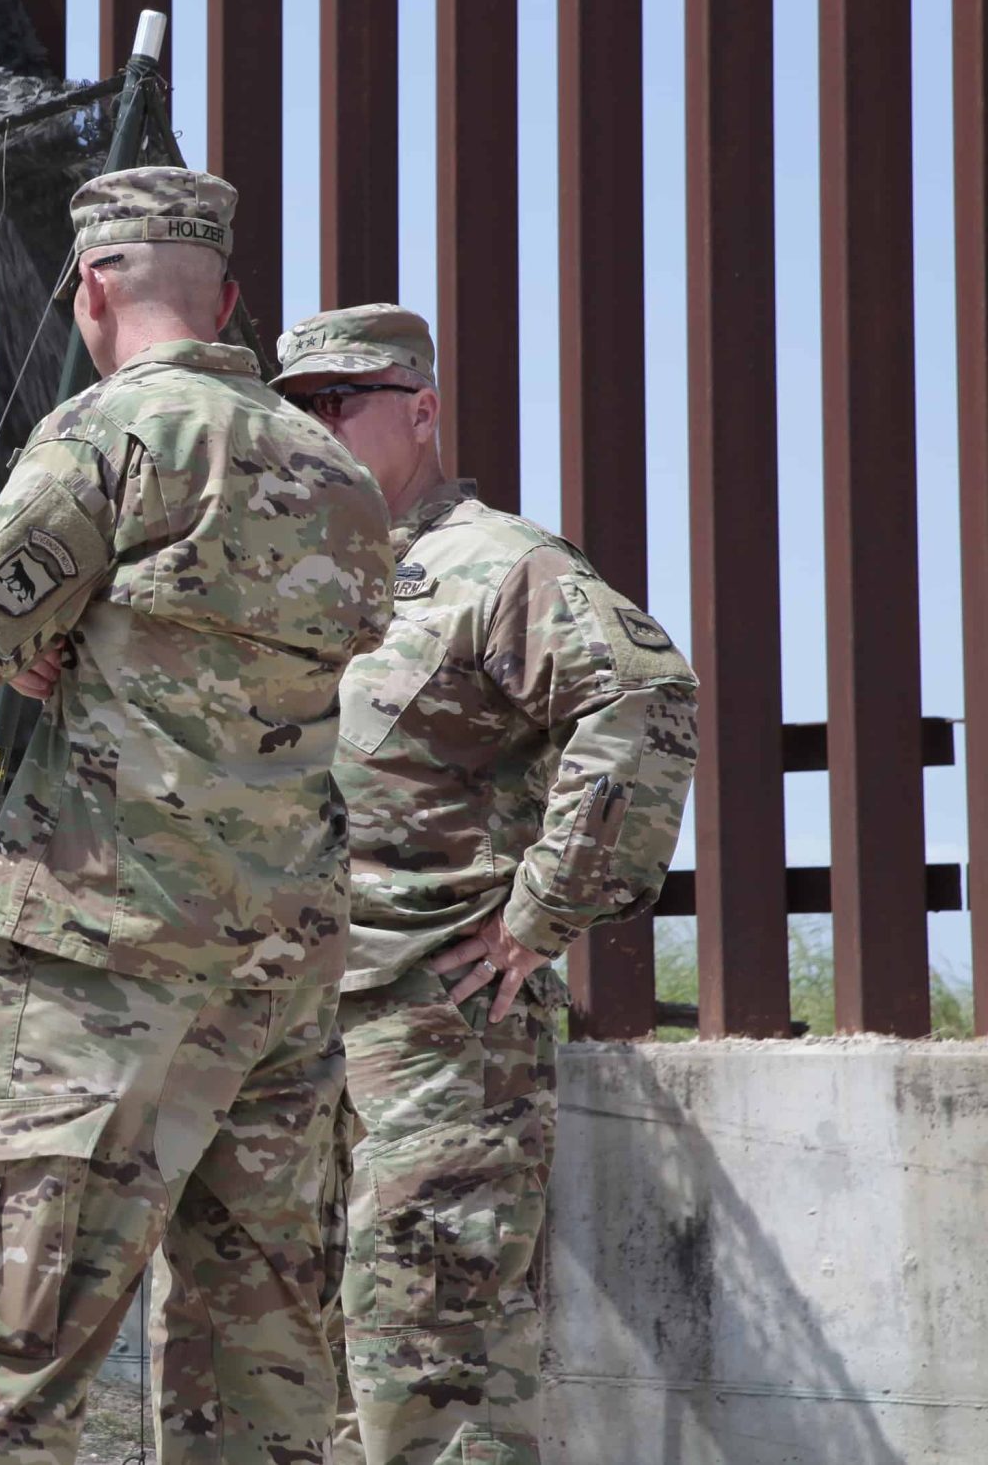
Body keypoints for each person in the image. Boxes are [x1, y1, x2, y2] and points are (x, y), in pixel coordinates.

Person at [0, 169, 395, 1464]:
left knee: (3, 1359)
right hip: (280, 975)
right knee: (262, 1371)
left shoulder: (109, 437)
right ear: (229, 297)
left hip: (99, 956)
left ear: (94, 286)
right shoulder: (339, 472)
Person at [251, 304, 697, 1465]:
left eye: (341, 402)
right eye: (296, 409)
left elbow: (641, 700)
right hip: (288, 1028)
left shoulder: (495, 562)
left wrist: (545, 912)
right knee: (295, 1356)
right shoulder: (285, 576)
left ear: (421, 409)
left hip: (439, 1026)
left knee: (430, 1359)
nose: (317, 426)